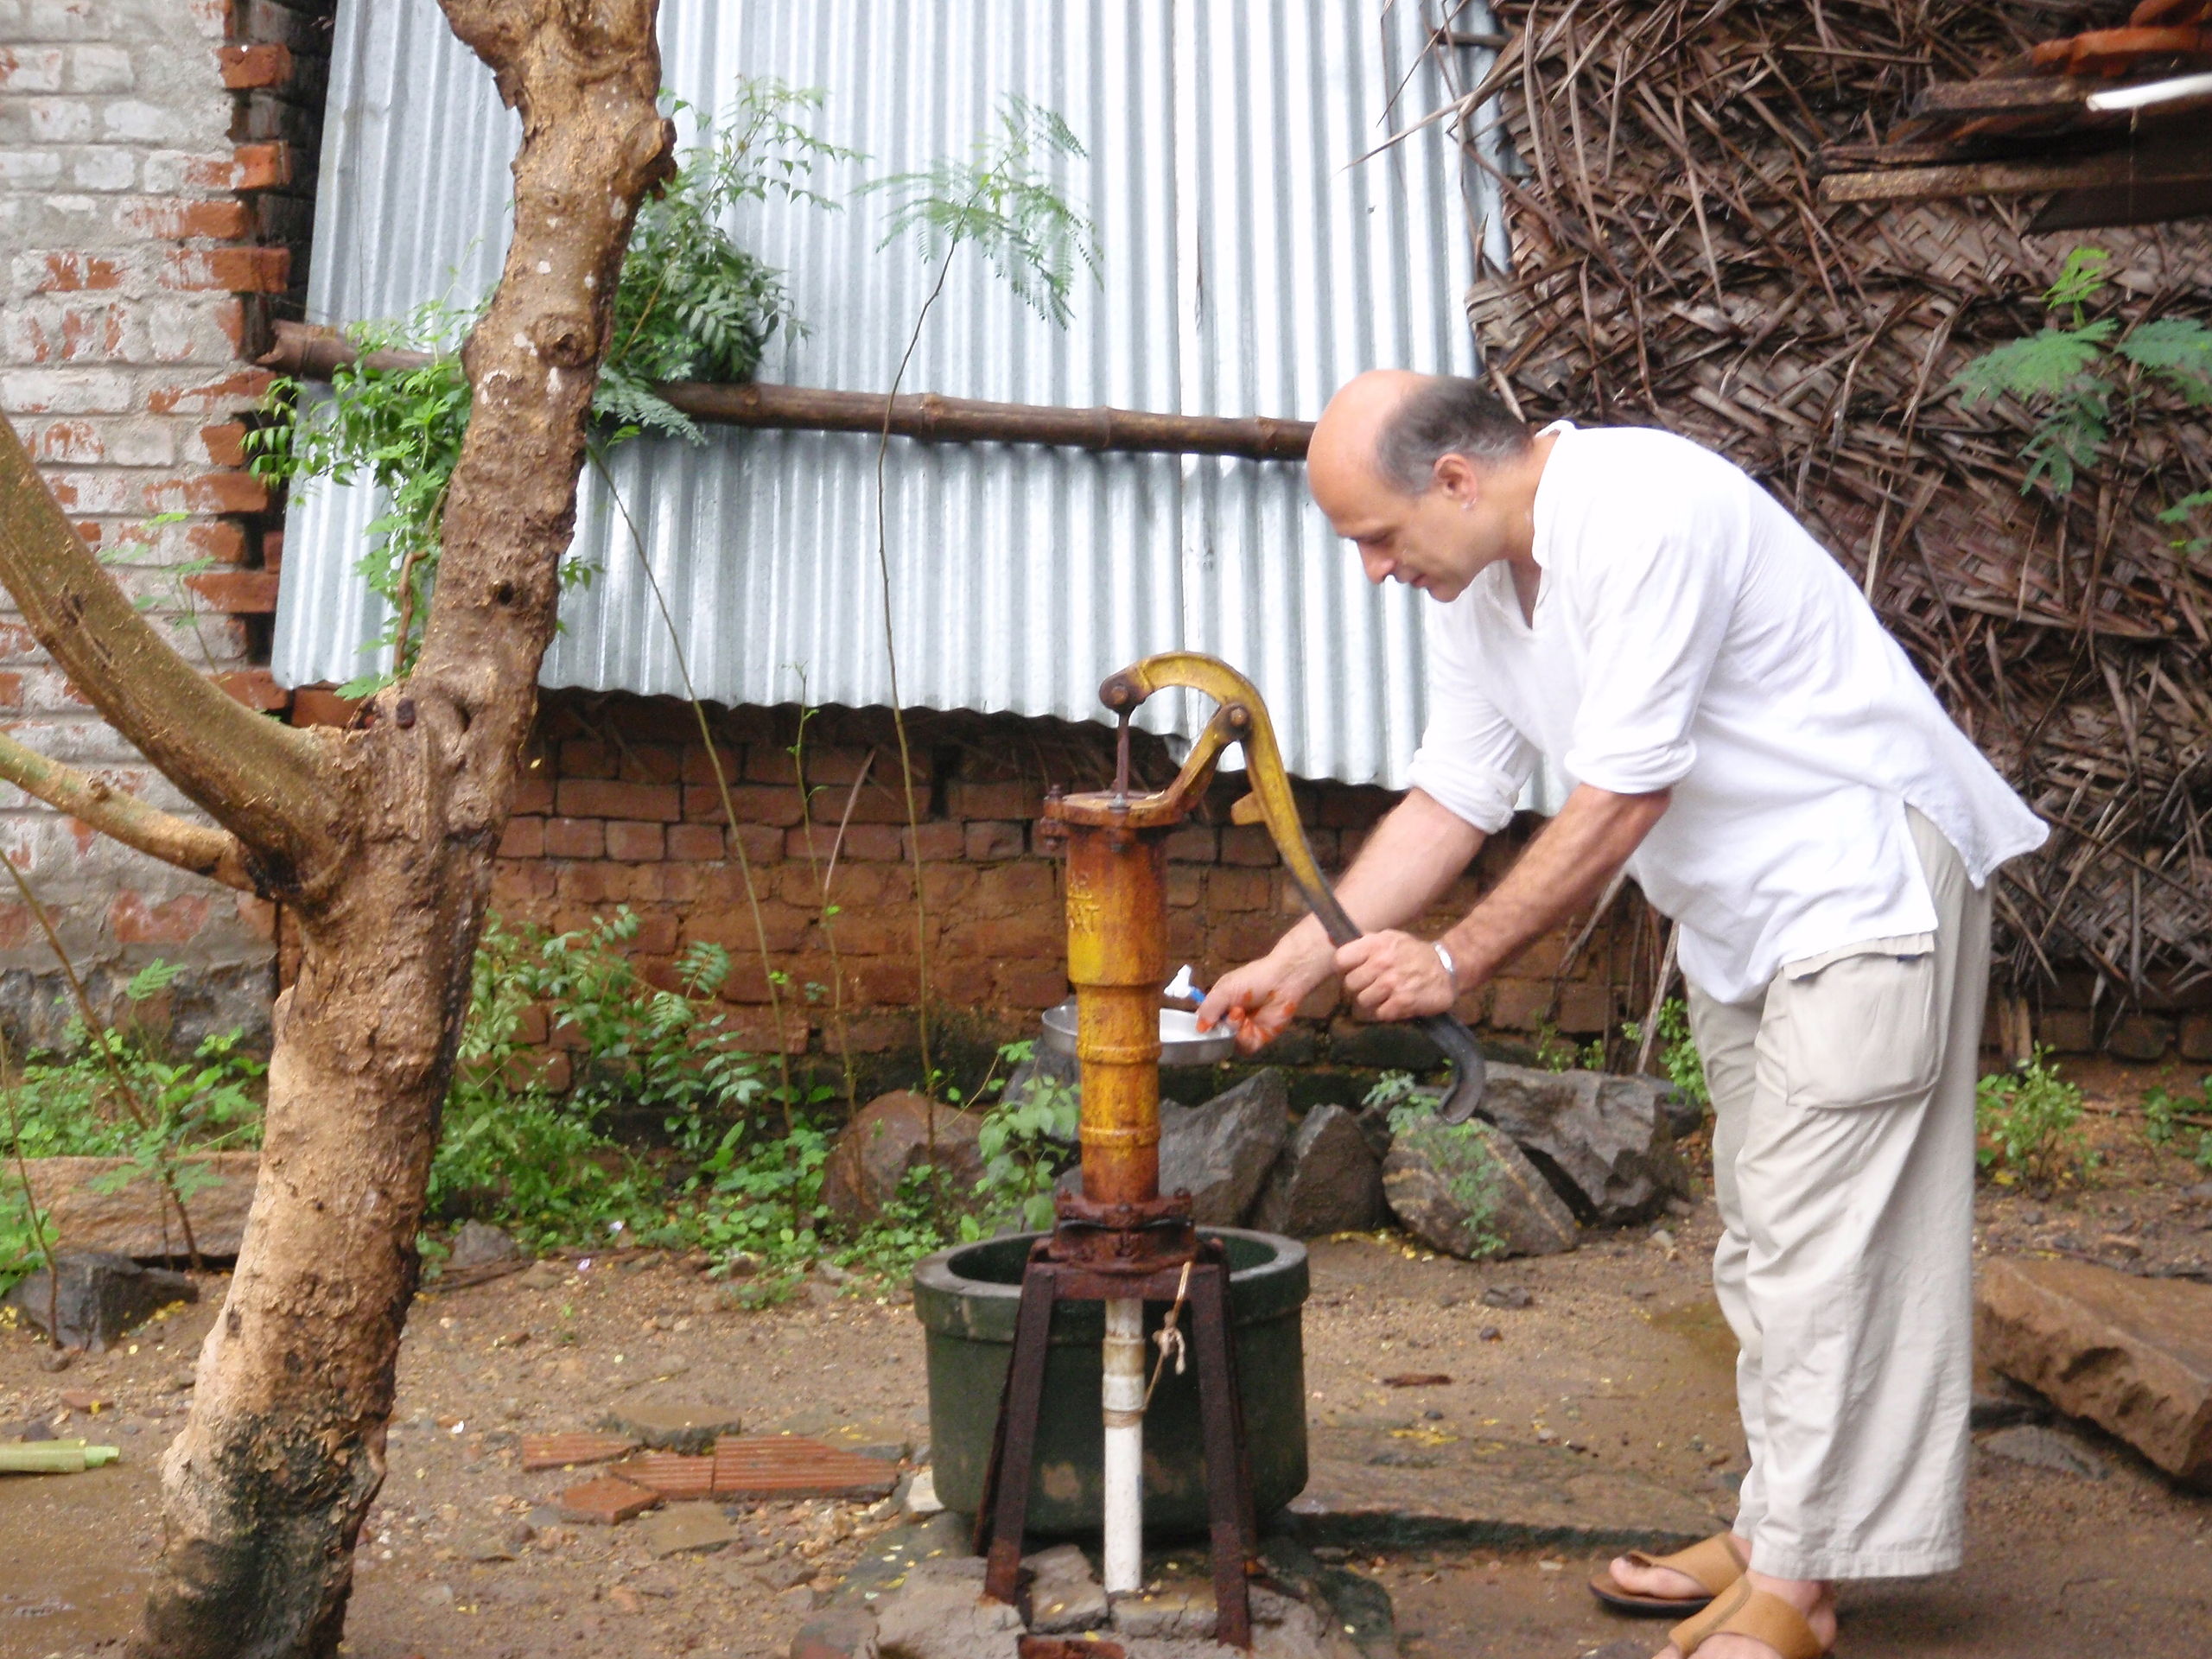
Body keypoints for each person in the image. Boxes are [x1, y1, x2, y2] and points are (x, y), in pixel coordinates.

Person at [1195, 372, 2046, 1659]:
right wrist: (1300, 959)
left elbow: (1620, 798)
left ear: (1457, 480)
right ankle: (1781, 1530)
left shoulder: (1642, 507)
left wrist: (1457, 961)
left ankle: (1803, 1591)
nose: (1371, 571)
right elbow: (1453, 797)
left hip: (1865, 884)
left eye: (1375, 536)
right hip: (1744, 912)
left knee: (1828, 1242)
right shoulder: (1477, 592)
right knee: (1766, 1242)